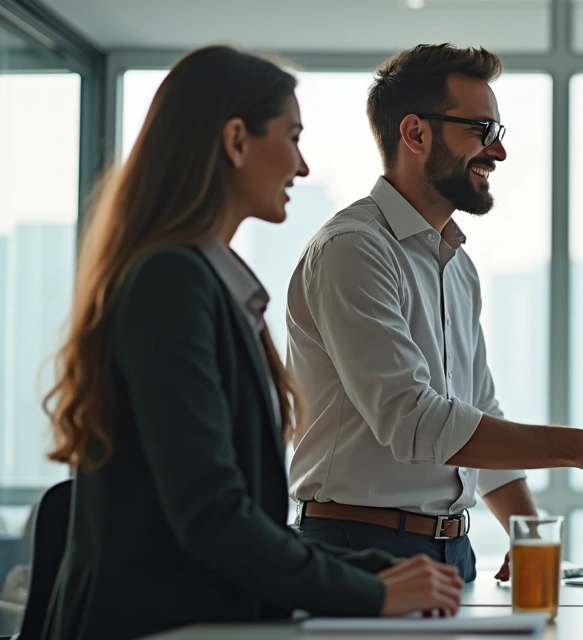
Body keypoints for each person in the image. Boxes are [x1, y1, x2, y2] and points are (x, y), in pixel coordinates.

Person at [37, 46, 464, 640]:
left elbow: (236, 519)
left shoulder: (206, 283)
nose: (303, 166)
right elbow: (213, 517)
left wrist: (381, 570)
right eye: (291, 137)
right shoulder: (173, 282)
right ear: (236, 141)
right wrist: (372, 588)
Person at [285, 43, 583, 583]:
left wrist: (528, 533)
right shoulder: (354, 248)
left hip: (454, 551)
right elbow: (416, 421)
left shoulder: (457, 263)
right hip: (358, 548)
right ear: (416, 134)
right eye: (481, 130)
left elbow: (476, 409)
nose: (498, 152)